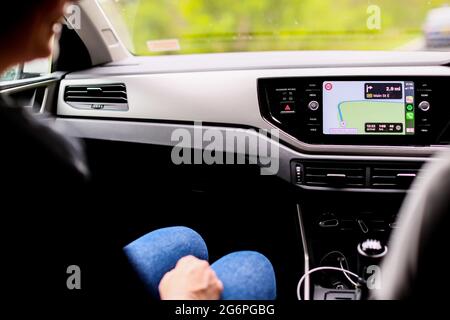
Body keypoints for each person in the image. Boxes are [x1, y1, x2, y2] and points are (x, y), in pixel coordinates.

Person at [1, 0, 276, 302]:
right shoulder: (40, 152)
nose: (68, 4)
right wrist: (183, 297)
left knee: (187, 240)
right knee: (252, 265)